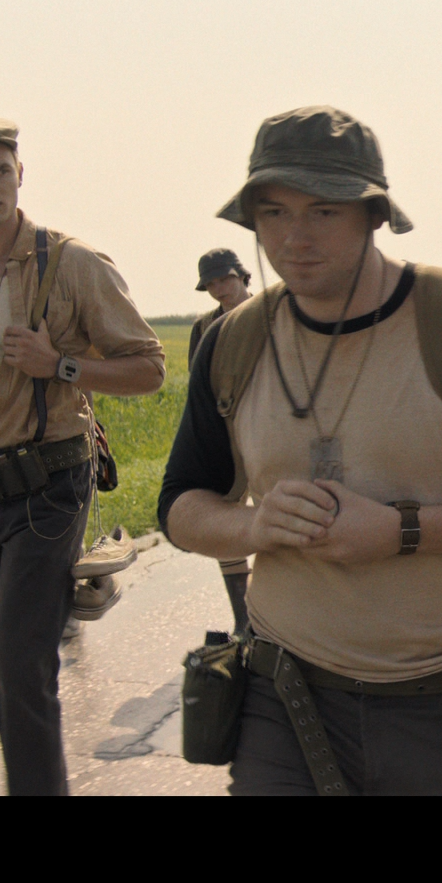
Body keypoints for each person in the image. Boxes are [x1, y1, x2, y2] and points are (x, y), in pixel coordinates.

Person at [158, 106, 442, 795]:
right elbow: (180, 505)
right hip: (284, 695)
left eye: (323, 211)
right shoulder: (233, 342)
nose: (294, 237)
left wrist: (402, 530)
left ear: (374, 215)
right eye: (273, 213)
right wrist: (253, 526)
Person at [0, 118, 166, 795]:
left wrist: (61, 365)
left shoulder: (73, 264)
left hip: (48, 482)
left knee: (21, 663)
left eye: (0, 170)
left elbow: (148, 369)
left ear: (20, 174)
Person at [185, 248, 256, 635]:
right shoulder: (203, 328)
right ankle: (243, 621)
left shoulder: (273, 312)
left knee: (284, 513)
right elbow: (198, 388)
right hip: (226, 436)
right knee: (226, 519)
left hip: (274, 431)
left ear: (242, 276)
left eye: (224, 278)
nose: (218, 288)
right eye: (210, 283)